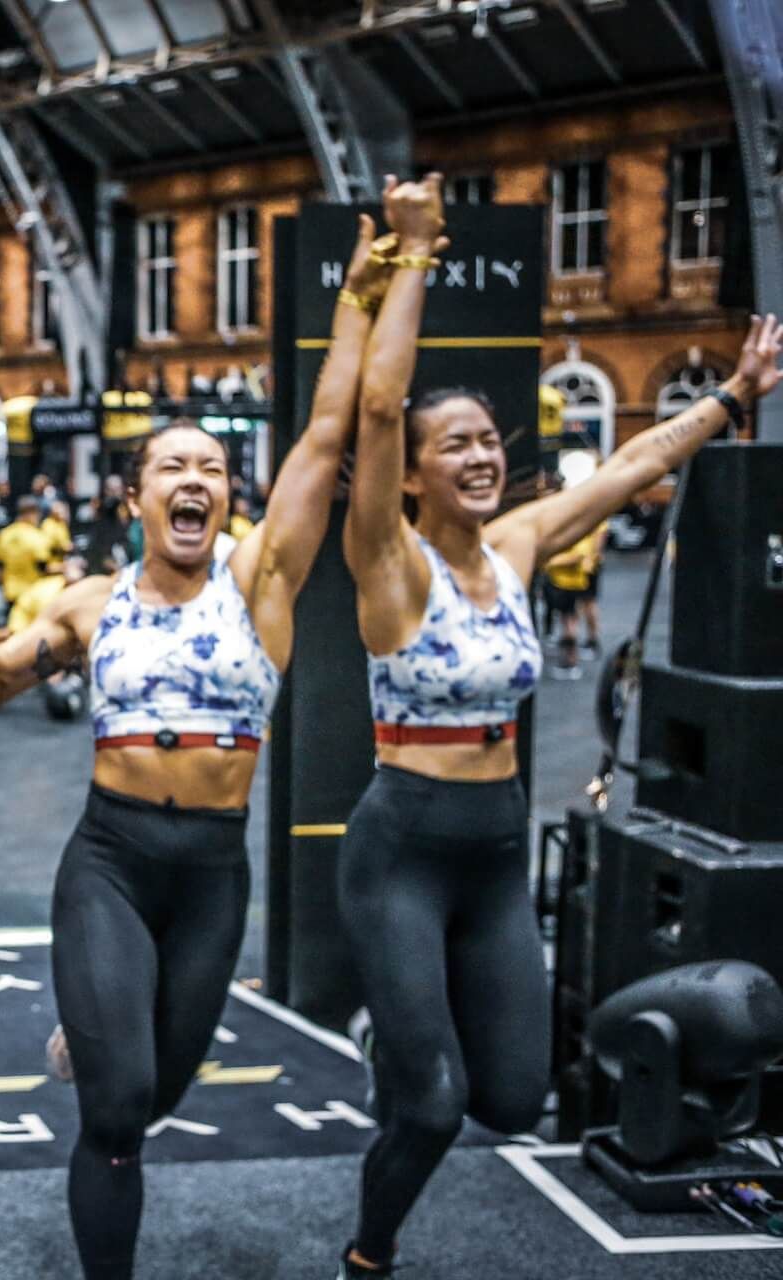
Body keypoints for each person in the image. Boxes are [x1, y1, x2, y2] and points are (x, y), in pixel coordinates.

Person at [333, 169, 782, 1277]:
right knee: (433, 1109)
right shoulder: (389, 561)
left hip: (490, 852)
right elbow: (378, 407)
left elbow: (630, 465)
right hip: (400, 848)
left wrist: (732, 395)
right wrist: (418, 255)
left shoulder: (519, 544)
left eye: (491, 439)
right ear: (416, 474)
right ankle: (368, 1251)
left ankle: (397, 1038)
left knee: (513, 1095)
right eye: (458, 446)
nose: (482, 455)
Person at [0, 212, 394, 1280]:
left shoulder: (262, 584)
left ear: (228, 496)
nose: (197, 480)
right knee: (120, 1111)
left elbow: (325, 434)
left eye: (214, 469)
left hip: (213, 872)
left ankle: (99, 1040)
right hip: (111, 860)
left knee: (165, 1090)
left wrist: (363, 294)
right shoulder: (90, 600)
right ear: (134, 496)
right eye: (172, 468)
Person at [542, 521, 605, 677]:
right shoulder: (571, 531)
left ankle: (571, 661)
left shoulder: (581, 533)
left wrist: (549, 563)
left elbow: (579, 555)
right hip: (562, 581)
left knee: (570, 621)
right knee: (568, 620)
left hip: (570, 583)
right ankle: (571, 658)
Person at [0, 495, 52, 607]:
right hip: (33, 597)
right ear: (32, 513)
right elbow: (43, 568)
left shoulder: (4, 534)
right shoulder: (36, 536)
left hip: (10, 595)